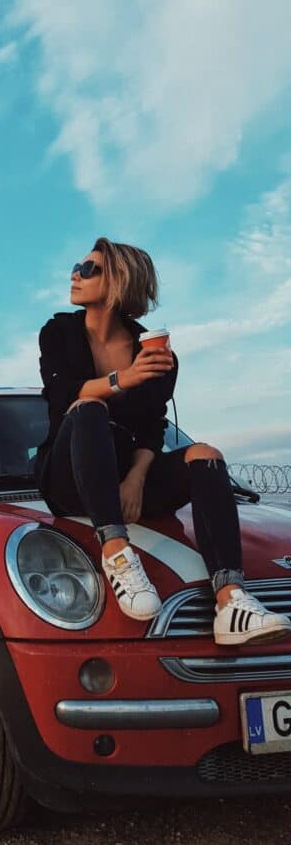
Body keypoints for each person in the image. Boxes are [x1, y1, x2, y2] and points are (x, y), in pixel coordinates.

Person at [36, 237, 291, 646]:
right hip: (70, 480)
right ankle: (117, 552)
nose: (75, 274)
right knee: (88, 407)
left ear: (119, 281)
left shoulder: (152, 350)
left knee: (205, 455)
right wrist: (125, 379)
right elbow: (63, 396)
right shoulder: (58, 332)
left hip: (129, 481)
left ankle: (231, 601)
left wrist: (136, 478)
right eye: (76, 266)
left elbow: (153, 425)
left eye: (88, 269)